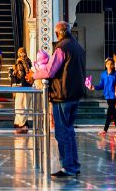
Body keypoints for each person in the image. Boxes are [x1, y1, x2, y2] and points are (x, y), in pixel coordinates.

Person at [35, 21, 86, 179]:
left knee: (63, 132)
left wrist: (34, 75)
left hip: (63, 95)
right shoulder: (78, 47)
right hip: (75, 94)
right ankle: (73, 165)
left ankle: (69, 167)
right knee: (69, 131)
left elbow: (50, 71)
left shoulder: (62, 48)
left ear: (58, 33)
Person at [10, 47, 34, 134]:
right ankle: (21, 124)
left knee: (21, 106)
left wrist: (13, 73)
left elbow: (22, 74)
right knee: (23, 106)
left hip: (23, 87)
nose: (21, 54)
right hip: (26, 86)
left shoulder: (21, 61)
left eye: (22, 52)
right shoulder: (27, 61)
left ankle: (22, 125)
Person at [98, 57, 116, 136]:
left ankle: (106, 130)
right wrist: (93, 87)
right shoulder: (103, 74)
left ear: (114, 65)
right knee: (113, 113)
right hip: (107, 96)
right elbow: (101, 85)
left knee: (110, 113)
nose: (109, 65)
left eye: (111, 64)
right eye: (108, 64)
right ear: (105, 65)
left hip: (114, 96)